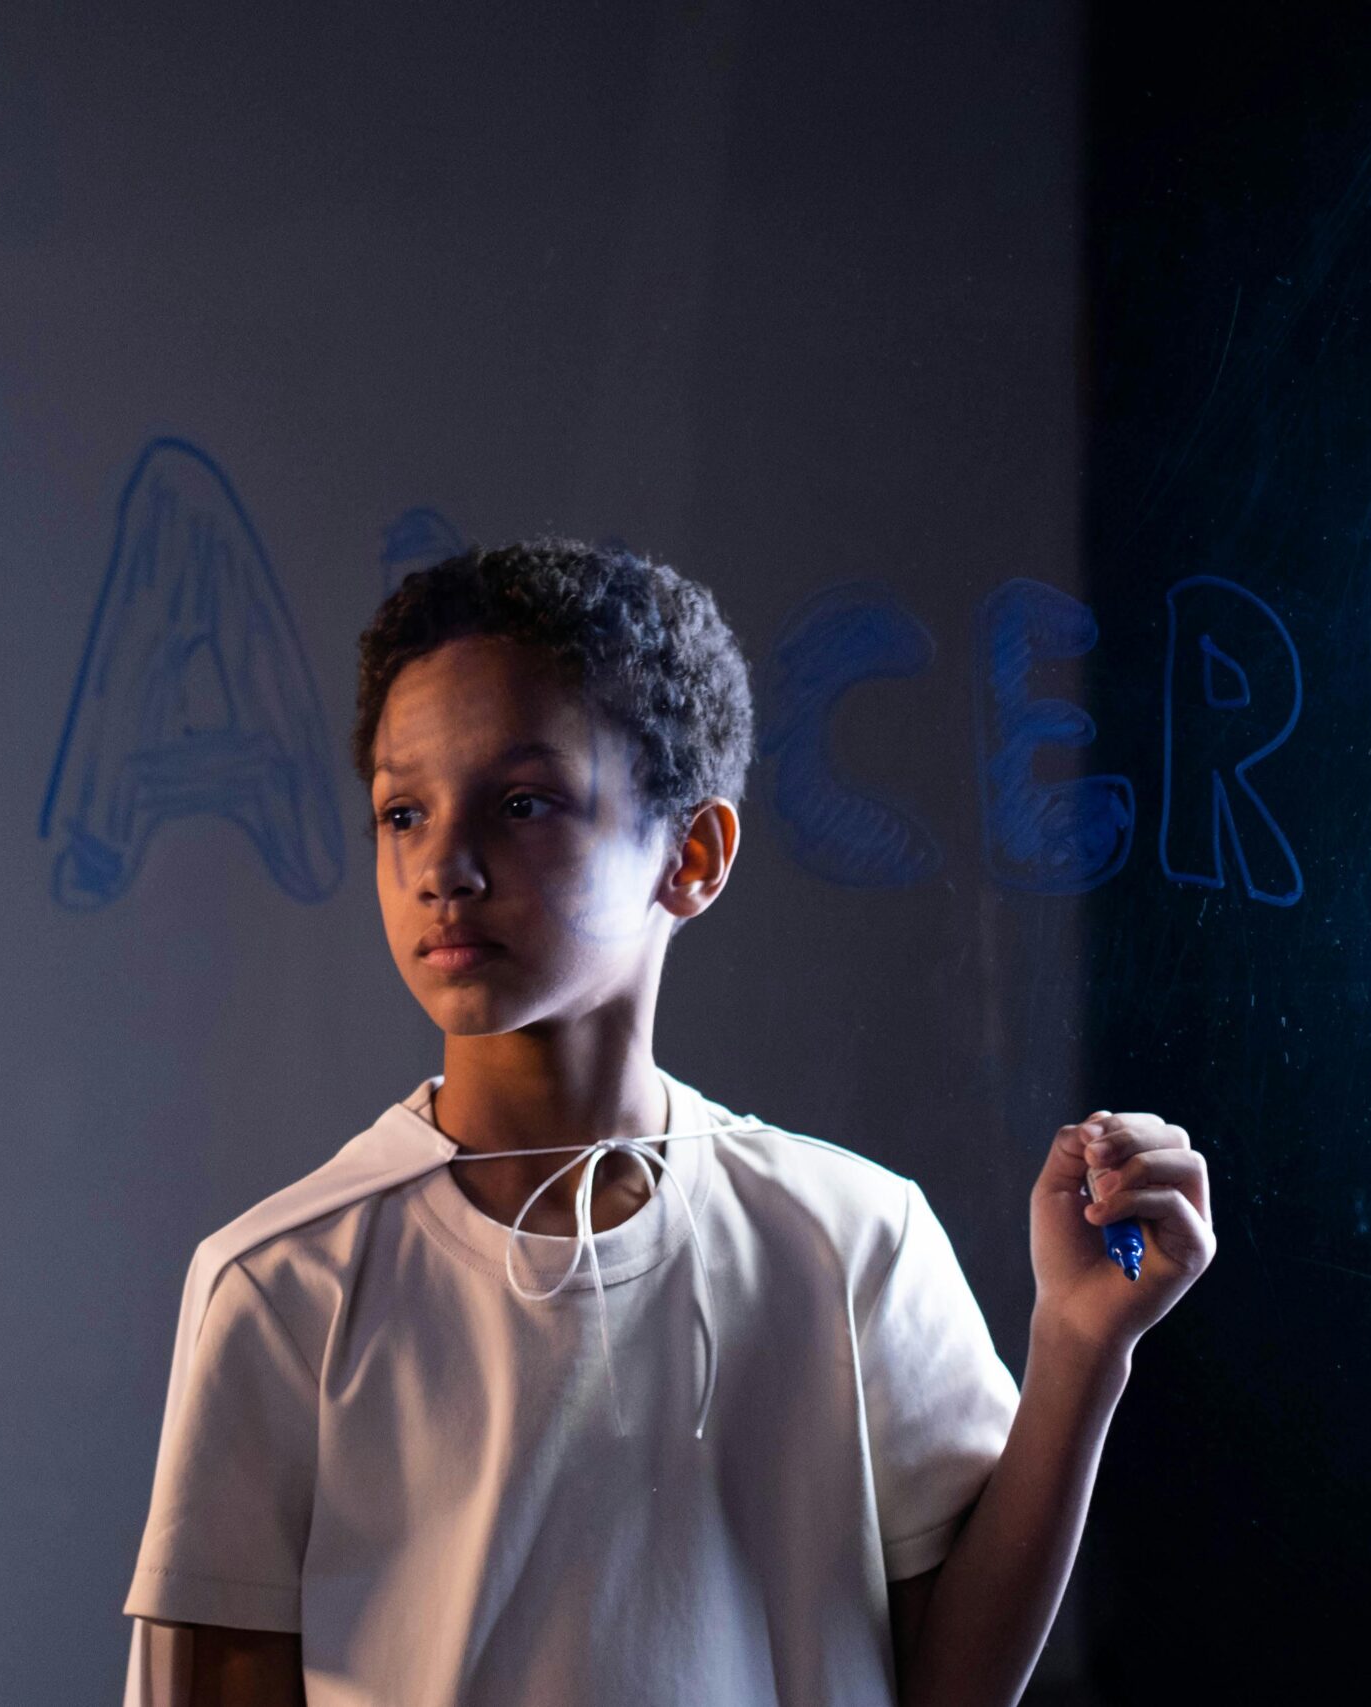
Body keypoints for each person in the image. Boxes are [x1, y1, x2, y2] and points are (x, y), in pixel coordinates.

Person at [121, 540, 1216, 1706]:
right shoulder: (283, 1282)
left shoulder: (851, 1238)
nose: (443, 863)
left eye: (523, 801)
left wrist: (1080, 1351)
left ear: (690, 856)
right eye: (401, 812)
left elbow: (951, 1687)